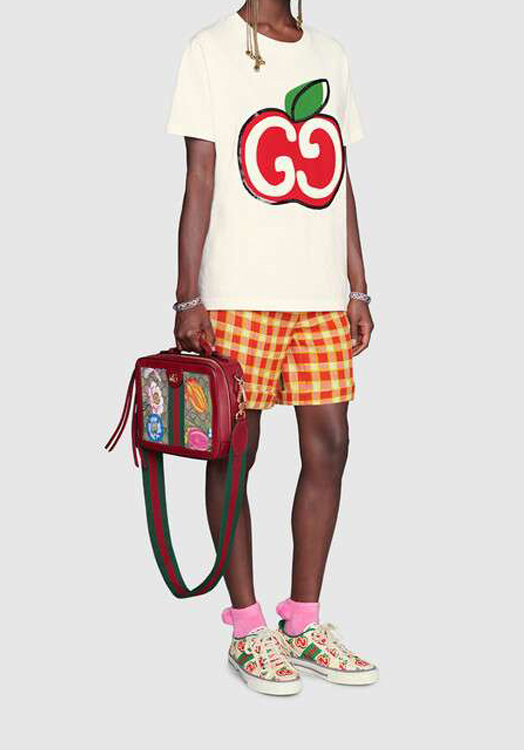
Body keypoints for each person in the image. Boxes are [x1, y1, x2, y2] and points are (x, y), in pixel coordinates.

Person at [167, 0, 377, 696]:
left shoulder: (330, 55)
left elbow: (339, 181)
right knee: (237, 453)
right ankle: (248, 627)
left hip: (318, 294)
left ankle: (304, 620)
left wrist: (357, 284)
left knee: (330, 445)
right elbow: (200, 177)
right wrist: (188, 296)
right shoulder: (209, 48)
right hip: (238, 292)